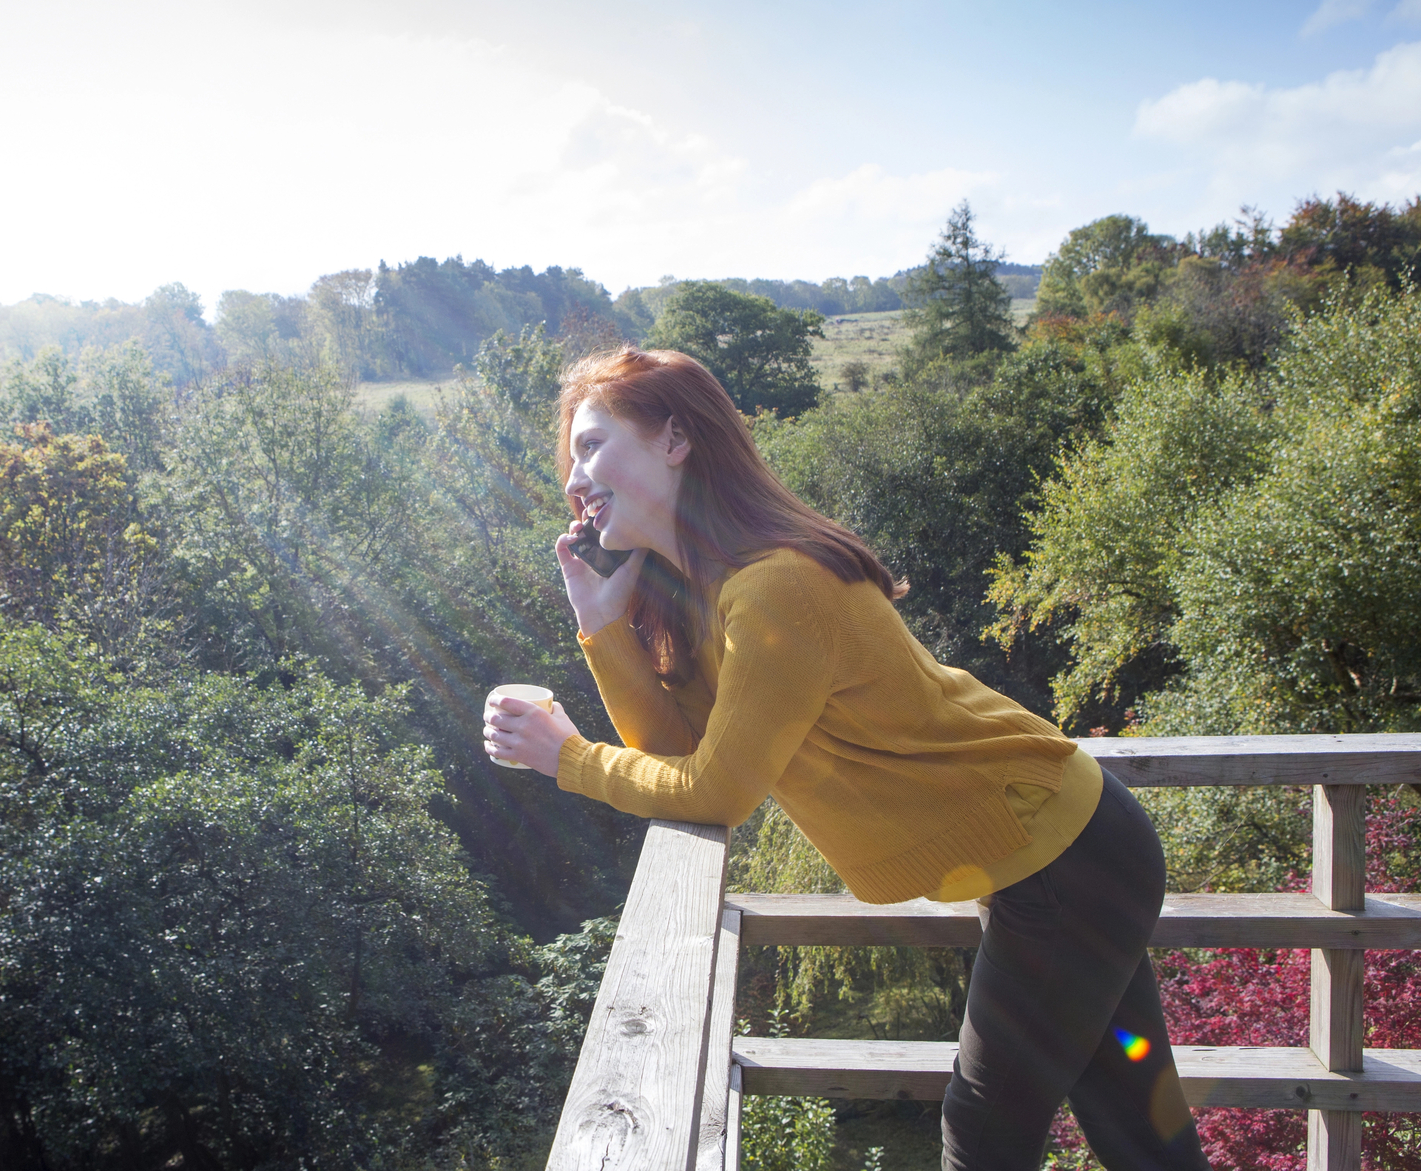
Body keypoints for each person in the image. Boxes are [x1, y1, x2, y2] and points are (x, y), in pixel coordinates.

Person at [482, 347, 1208, 1171]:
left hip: (1065, 862)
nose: (574, 477)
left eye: (591, 445)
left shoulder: (773, 587)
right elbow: (676, 758)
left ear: (675, 438)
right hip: (1065, 852)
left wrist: (569, 758)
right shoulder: (715, 592)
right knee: (1135, 1121)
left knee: (986, 1128)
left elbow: (714, 791)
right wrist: (604, 624)